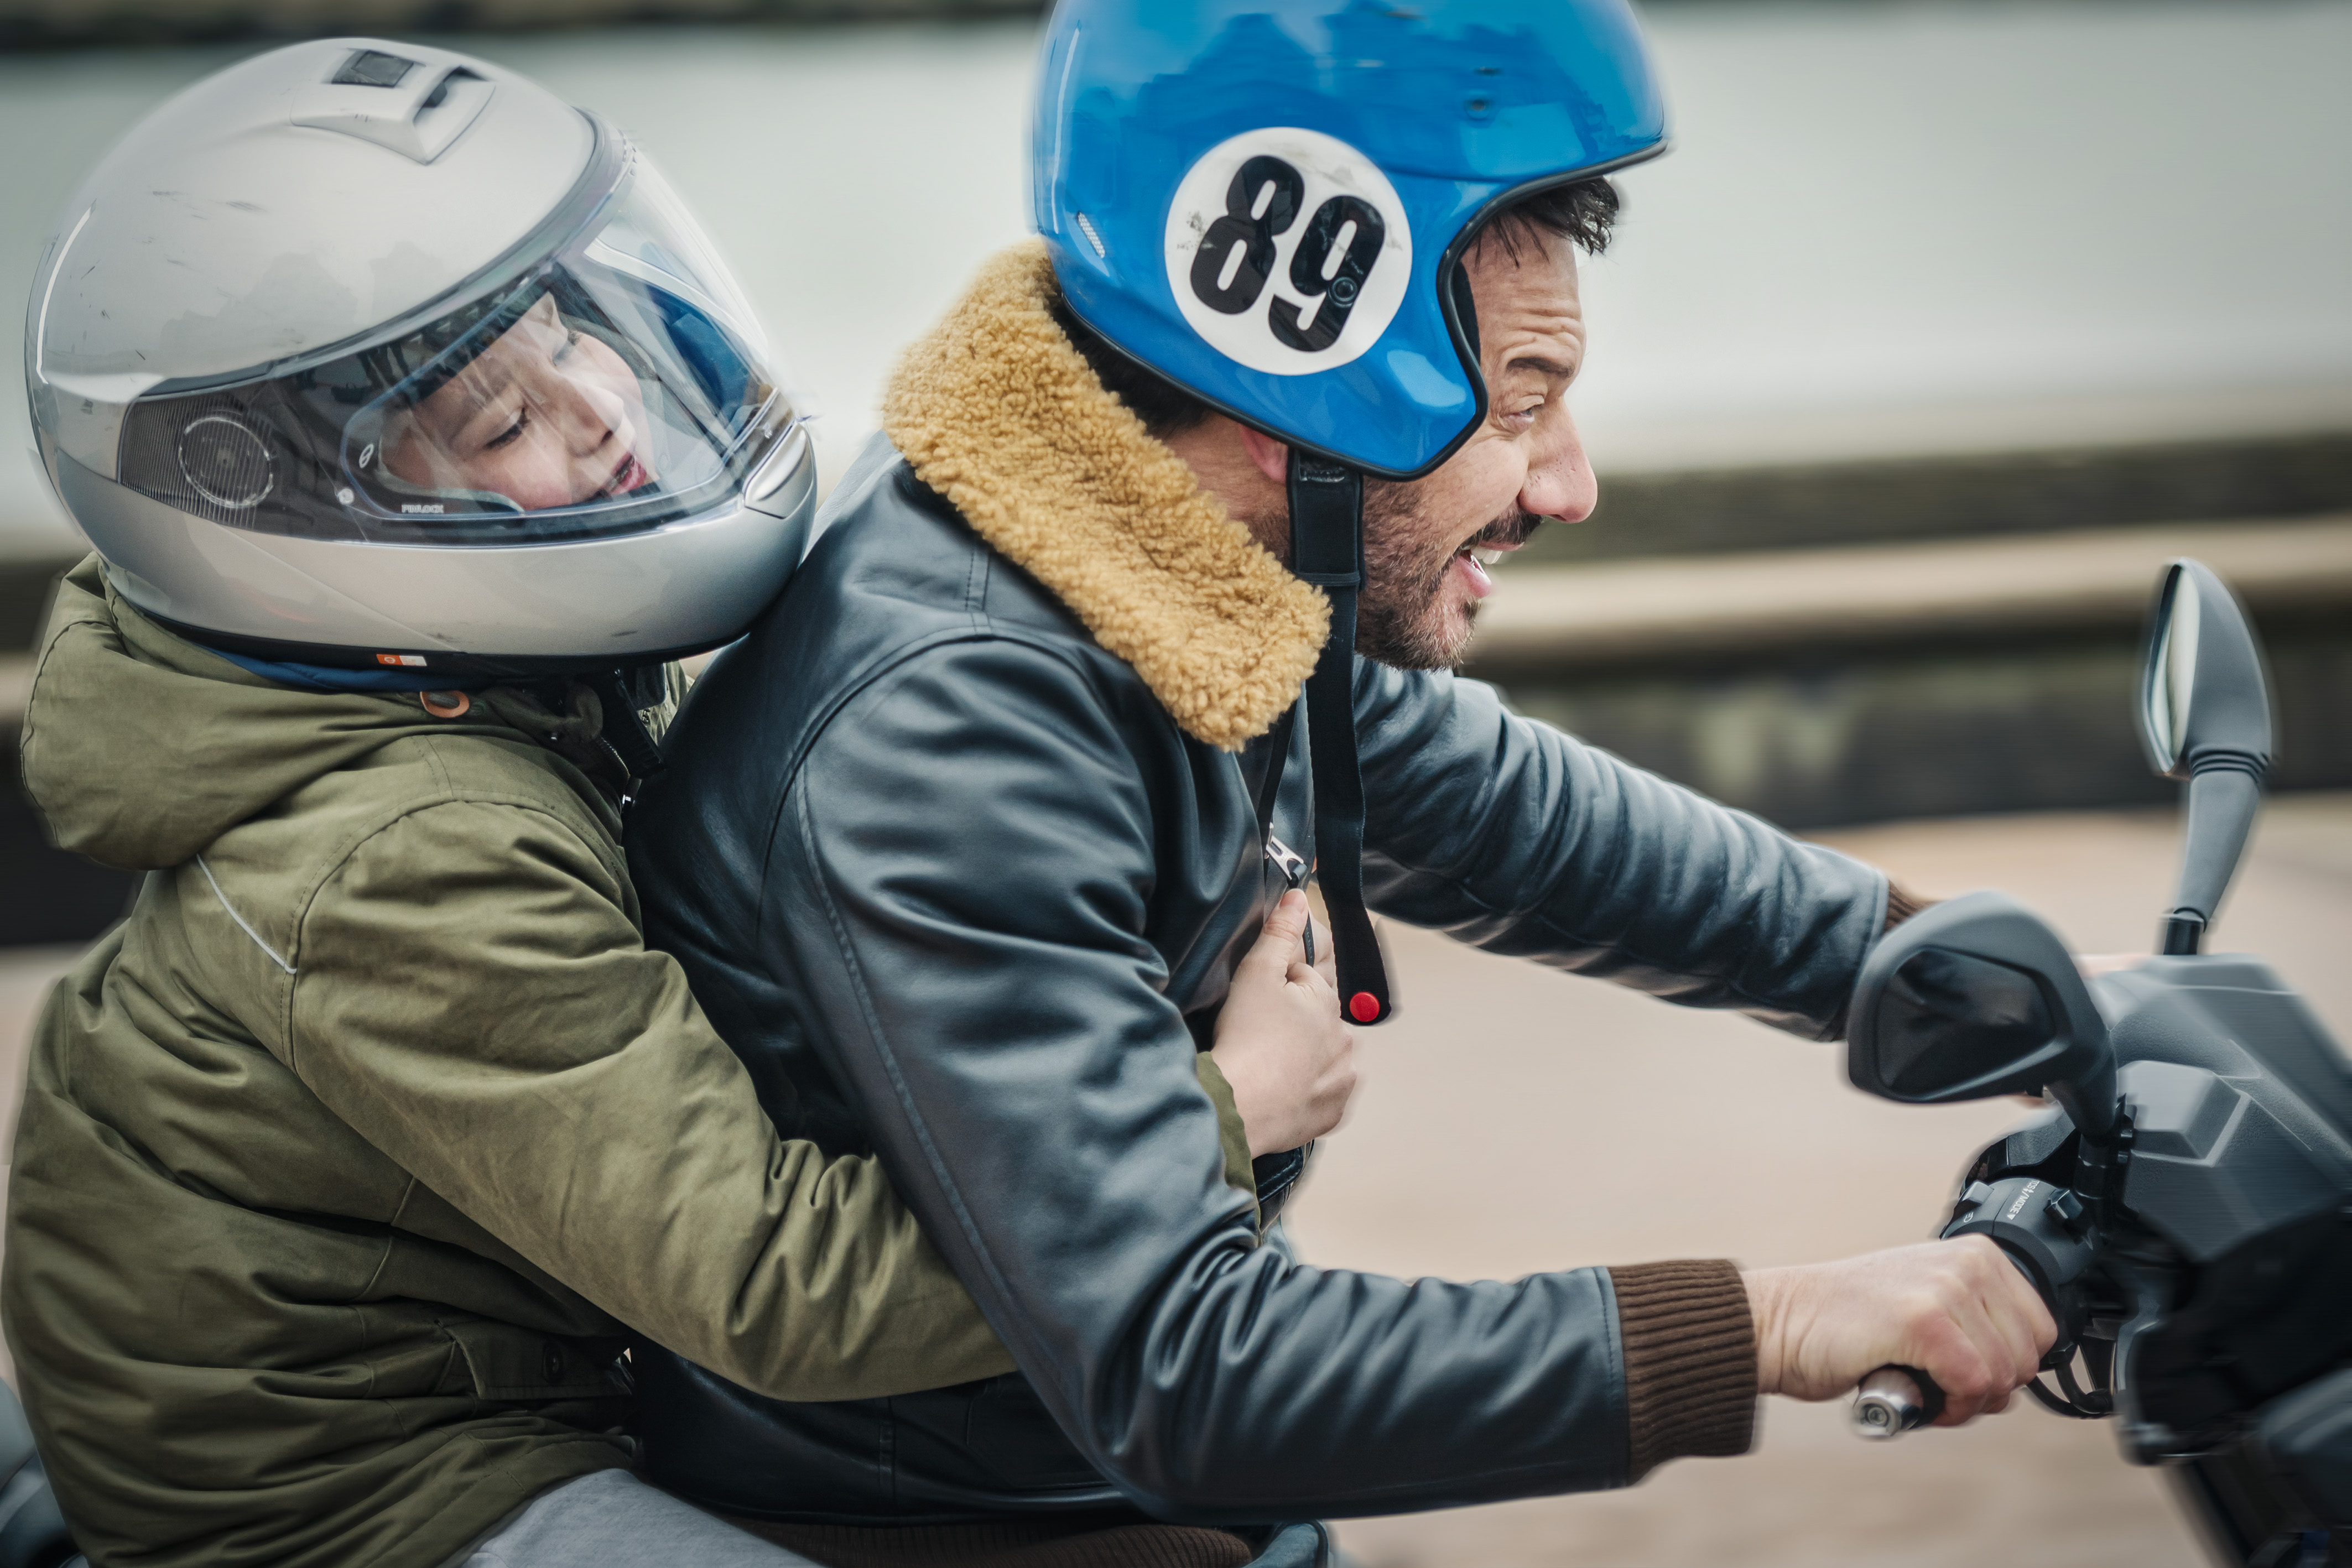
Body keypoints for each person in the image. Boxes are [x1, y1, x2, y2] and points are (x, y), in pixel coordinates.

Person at [623, 1, 2058, 1562]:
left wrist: (1991, 980)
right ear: (1293, 389)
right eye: (1517, 402)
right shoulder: (954, 726)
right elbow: (1190, 1365)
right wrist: (1777, 1320)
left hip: (1101, 1493)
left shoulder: (1151, 569)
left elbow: (1522, 820)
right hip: (964, 1529)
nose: (1567, 483)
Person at [4, 38, 1348, 1568]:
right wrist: (1219, 1117)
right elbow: (776, 1282)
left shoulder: (485, 674)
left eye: (573, 330)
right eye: (496, 423)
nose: (595, 409)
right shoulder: (404, 854)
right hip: (359, 1480)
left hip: (546, 1363)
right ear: (283, 511)